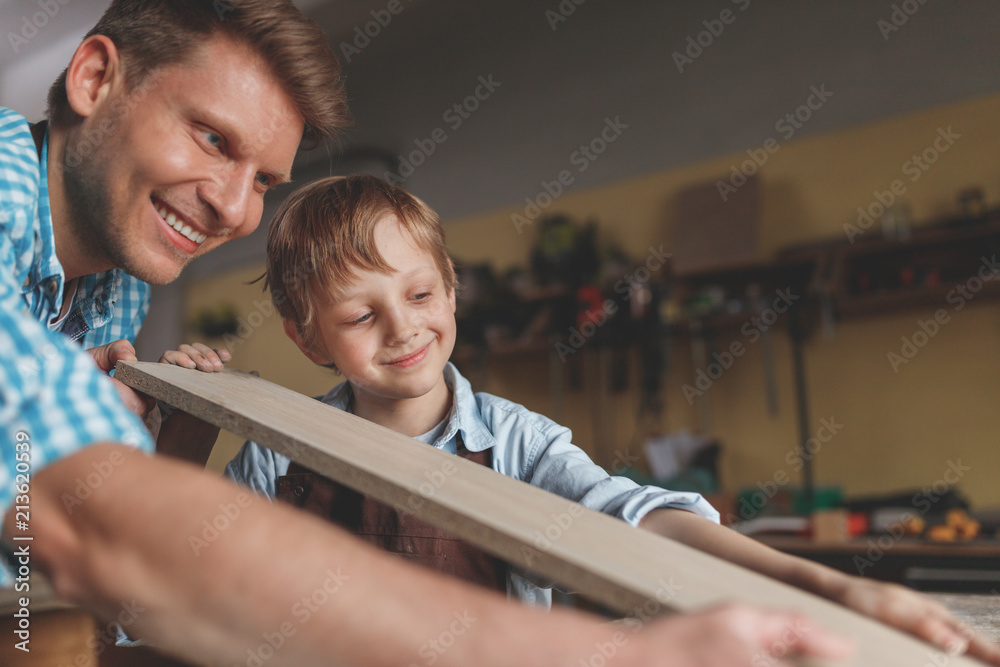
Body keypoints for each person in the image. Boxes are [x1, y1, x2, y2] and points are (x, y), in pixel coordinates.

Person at [0, 2, 967, 665]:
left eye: (261, 177)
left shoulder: (116, 287)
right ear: (92, 76)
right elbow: (98, 532)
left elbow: (623, 507)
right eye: (213, 138)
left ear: (451, 289)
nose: (230, 206)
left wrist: (819, 589)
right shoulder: (9, 200)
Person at [162, 173, 994, 662]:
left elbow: (644, 522)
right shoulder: (283, 453)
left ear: (450, 290)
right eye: (360, 315)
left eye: (419, 294)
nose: (404, 327)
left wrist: (832, 584)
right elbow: (191, 572)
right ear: (309, 341)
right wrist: (190, 429)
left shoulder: (517, 443)